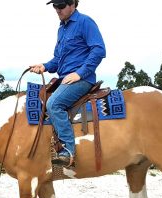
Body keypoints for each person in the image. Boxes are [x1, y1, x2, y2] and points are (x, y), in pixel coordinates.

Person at [30, 0, 106, 167]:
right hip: (64, 78)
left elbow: (99, 50)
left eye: (61, 6)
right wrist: (44, 66)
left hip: (82, 79)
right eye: (55, 6)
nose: (57, 9)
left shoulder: (85, 22)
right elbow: (58, 60)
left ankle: (68, 151)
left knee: (54, 104)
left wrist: (80, 73)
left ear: (73, 4)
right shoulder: (62, 29)